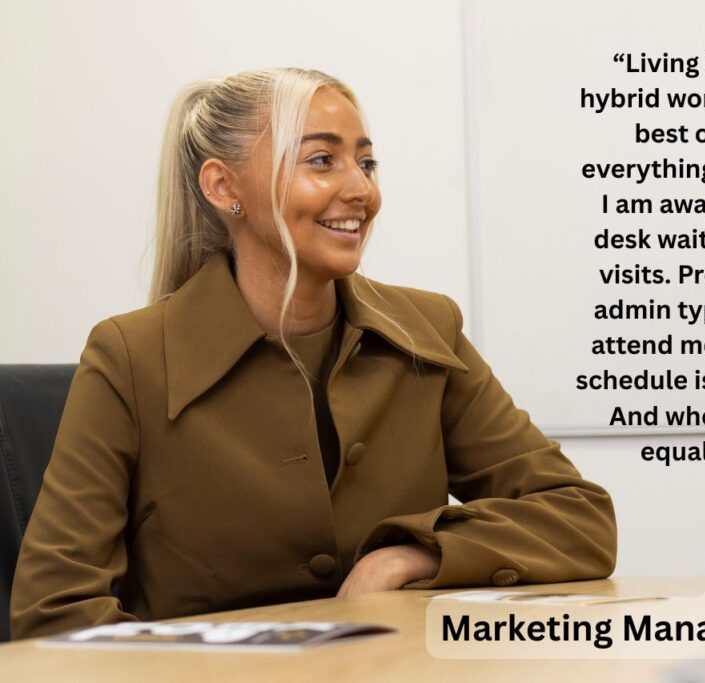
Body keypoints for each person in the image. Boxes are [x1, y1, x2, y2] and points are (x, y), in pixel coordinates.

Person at [8, 67, 616, 640]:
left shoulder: (428, 328)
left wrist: (409, 555)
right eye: (321, 160)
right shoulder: (129, 356)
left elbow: (578, 519)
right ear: (223, 186)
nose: (362, 191)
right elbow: (56, 612)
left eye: (368, 163)